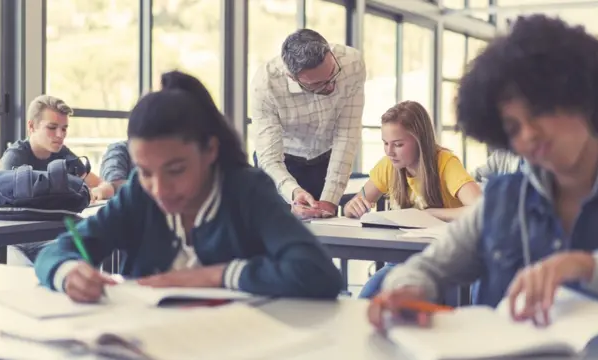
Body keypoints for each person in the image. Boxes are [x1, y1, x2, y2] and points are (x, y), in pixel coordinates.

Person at [368, 15, 598, 330]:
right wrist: (407, 290)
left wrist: (588, 268)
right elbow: (428, 267)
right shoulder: (504, 200)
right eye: (512, 127)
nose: (528, 135)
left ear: (583, 100)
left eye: (540, 112)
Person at [34, 71, 343, 303]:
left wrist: (214, 276)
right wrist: (67, 273)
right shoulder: (138, 195)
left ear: (209, 150)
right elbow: (56, 251)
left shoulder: (246, 190)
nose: (159, 188)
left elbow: (318, 274)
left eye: (176, 170)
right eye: (145, 171)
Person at [343, 100, 482, 299]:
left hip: (447, 260)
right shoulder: (389, 165)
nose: (389, 152)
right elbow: (356, 202)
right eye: (385, 143)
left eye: (398, 144)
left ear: (420, 141)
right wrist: (352, 207)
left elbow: (481, 208)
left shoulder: (445, 163)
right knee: (369, 295)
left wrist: (433, 214)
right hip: (403, 259)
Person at [251, 29, 366, 219]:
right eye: (317, 84)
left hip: (325, 159)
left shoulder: (352, 63)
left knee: (324, 231)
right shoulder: (265, 85)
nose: (330, 86)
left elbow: (347, 135)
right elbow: (269, 159)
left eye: (332, 74)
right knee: (278, 229)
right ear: (292, 77)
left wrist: (330, 199)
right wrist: (294, 194)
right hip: (282, 161)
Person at [0, 95, 105, 264]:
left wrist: (98, 191)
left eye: (64, 129)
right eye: (52, 127)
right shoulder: (13, 159)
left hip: (50, 236)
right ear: (31, 127)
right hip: (16, 242)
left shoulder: (62, 153)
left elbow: (99, 183)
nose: (59, 135)